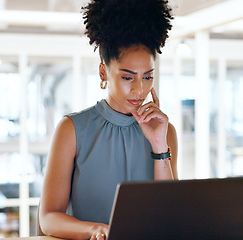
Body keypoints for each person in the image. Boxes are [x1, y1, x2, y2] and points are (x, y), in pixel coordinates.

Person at [39, 0, 177, 239]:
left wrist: (158, 146)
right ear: (104, 72)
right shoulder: (72, 129)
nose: (139, 90)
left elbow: (170, 216)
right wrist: (95, 229)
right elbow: (49, 217)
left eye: (147, 77)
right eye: (127, 77)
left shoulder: (164, 131)